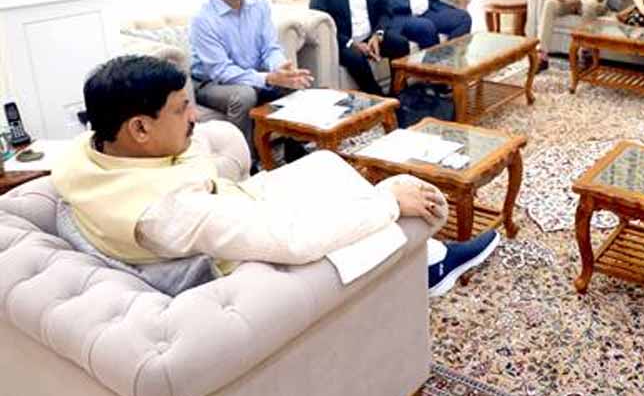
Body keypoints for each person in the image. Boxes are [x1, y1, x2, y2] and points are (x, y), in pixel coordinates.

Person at [51, 55, 499, 298]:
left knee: (326, 164)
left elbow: (196, 154)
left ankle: (428, 256)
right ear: (139, 128)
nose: (194, 116)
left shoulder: (85, 155)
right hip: (248, 259)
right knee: (384, 208)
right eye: (181, 108)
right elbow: (293, 242)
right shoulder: (168, 211)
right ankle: (432, 264)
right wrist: (388, 199)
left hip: (234, 200)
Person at [190, 0, 313, 151]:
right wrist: (267, 78)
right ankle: (245, 157)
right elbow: (221, 71)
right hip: (212, 83)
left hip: (250, 72)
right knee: (245, 95)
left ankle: (292, 148)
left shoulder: (259, 4)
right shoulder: (203, 20)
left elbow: (270, 48)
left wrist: (280, 68)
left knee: (292, 80)